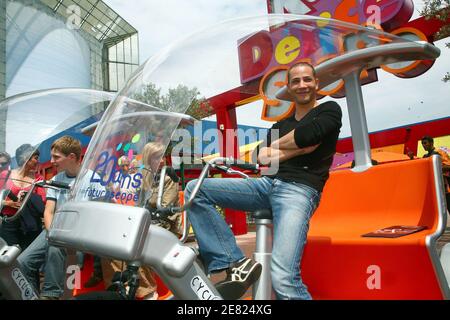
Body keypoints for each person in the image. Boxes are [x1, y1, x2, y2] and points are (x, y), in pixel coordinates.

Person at [185, 62, 342, 300]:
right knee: (195, 189)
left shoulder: (329, 109)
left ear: (316, 83)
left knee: (283, 277)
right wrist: (299, 148)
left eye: (307, 79)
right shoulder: (281, 124)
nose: (302, 85)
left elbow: (308, 135)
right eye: (296, 81)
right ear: (289, 87)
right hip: (265, 185)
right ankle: (233, 261)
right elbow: (262, 155)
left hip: (299, 191)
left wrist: (283, 146)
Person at [17, 136, 84, 299]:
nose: (52, 161)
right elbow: (49, 211)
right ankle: (33, 296)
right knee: (23, 263)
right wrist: (53, 233)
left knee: (58, 253)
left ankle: (50, 294)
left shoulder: (91, 178)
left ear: (72, 157)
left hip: (80, 231)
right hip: (55, 228)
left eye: (56, 157)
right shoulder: (55, 179)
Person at [0, 145, 45, 250]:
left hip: (30, 225)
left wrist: (27, 198)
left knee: (26, 258)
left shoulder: (38, 179)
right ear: (26, 157)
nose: (37, 161)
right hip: (9, 224)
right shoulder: (5, 175)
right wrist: (7, 203)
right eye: (36, 158)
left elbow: (42, 201)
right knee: (8, 258)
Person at [421, 136, 450, 212]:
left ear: (431, 143)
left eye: (425, 143)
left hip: (443, 185)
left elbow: (448, 165)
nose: (423, 145)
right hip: (432, 187)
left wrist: (436, 167)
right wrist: (411, 158)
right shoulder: (425, 157)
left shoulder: (439, 152)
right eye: (422, 144)